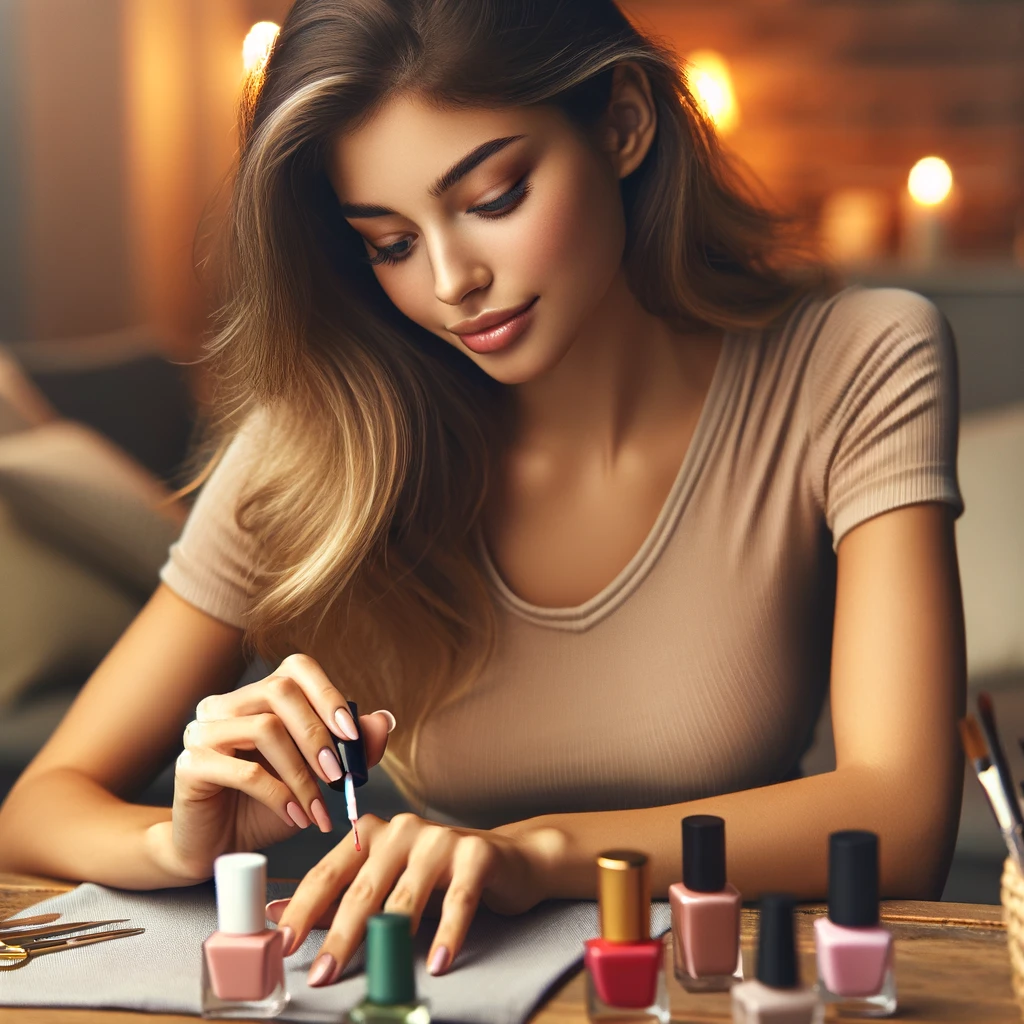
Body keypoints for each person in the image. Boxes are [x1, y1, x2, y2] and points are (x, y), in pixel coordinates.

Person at [0, 0, 967, 990]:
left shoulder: (854, 360)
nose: (452, 281)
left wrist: (533, 855)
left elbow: (900, 819)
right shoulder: (322, 440)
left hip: (723, 993)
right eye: (388, 243)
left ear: (624, 122)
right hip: (450, 989)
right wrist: (178, 844)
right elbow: (36, 811)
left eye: (493, 196)